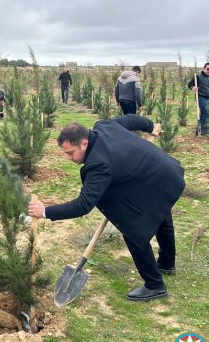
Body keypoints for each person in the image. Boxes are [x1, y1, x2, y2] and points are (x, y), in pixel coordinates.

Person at [27, 115, 185, 301]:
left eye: (70, 153)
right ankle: (167, 263)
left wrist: (45, 211)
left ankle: (155, 285)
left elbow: (83, 205)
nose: (69, 158)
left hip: (156, 178)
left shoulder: (98, 164)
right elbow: (132, 121)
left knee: (133, 229)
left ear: (84, 143)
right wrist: (149, 126)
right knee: (161, 214)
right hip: (165, 173)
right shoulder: (104, 126)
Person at [187, 63, 209, 134]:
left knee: (204, 113)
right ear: (204, 68)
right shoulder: (198, 77)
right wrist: (193, 87)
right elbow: (189, 84)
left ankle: (199, 129)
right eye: (207, 69)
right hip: (201, 97)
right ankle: (203, 129)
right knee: (206, 111)